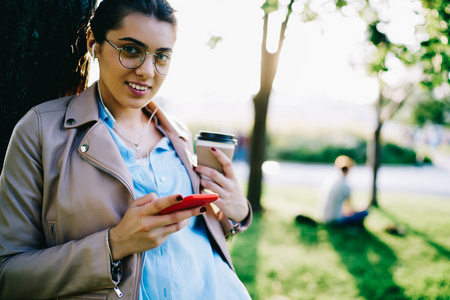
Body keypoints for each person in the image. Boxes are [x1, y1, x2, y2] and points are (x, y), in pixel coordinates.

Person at [0, 0, 252, 299]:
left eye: (161, 56)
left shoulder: (178, 134)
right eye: (131, 50)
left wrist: (236, 214)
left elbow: (188, 241)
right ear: (94, 44)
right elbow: (9, 275)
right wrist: (115, 244)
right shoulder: (41, 130)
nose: (147, 71)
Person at [316, 155, 368, 225]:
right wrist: (361, 208)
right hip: (336, 220)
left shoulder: (330, 178)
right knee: (365, 212)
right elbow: (349, 210)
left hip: (323, 217)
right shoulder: (345, 185)